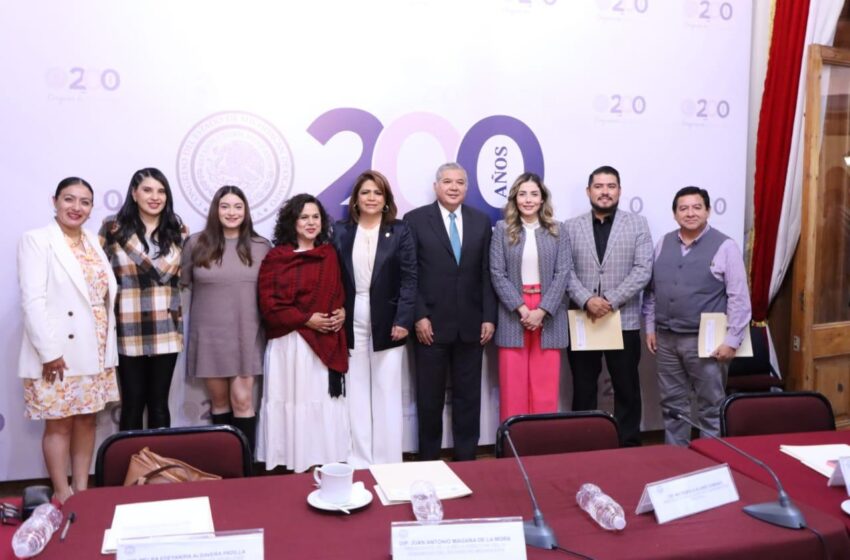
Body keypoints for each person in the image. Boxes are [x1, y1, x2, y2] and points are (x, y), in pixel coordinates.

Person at [18, 177, 120, 503]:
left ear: (91, 208)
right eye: (69, 199)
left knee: (87, 420)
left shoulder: (93, 241)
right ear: (55, 201)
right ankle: (62, 493)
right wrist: (49, 352)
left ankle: (83, 490)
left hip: (95, 345)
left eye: (84, 201)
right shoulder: (37, 240)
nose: (76, 207)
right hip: (57, 351)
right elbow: (33, 300)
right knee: (59, 425)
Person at [643, 186, 751, 445]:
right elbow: (652, 292)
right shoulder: (663, 243)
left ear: (708, 211)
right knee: (672, 405)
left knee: (710, 406)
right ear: (674, 214)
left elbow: (739, 297)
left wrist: (732, 340)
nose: (690, 213)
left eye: (696, 207)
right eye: (683, 208)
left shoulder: (726, 246)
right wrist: (649, 327)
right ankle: (676, 461)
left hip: (707, 342)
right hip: (666, 340)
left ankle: (711, 465)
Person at [404, 162, 497, 461]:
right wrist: (418, 315)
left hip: (472, 325)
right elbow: (410, 273)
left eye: (460, 182)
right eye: (447, 181)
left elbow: (487, 272)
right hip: (429, 325)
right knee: (429, 399)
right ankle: (429, 460)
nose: (454, 187)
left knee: (468, 398)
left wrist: (488, 316)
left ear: (466, 188)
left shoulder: (481, 221)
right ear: (436, 186)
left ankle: (467, 458)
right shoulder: (415, 220)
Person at [256, 194, 348, 472]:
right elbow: (269, 305)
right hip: (290, 344)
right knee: (292, 402)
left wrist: (342, 311)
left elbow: (338, 293)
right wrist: (307, 319)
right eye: (304, 217)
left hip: (322, 345)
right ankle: (291, 461)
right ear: (292, 222)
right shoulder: (276, 258)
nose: (310, 222)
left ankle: (321, 461)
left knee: (319, 403)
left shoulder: (330, 253)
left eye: (315, 217)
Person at [333, 171, 416, 467]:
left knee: (386, 390)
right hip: (350, 319)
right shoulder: (340, 231)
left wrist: (404, 319)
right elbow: (333, 278)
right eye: (365, 192)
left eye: (377, 193)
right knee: (354, 392)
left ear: (386, 200)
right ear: (356, 199)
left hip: (390, 320)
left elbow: (410, 278)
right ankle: (359, 460)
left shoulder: (401, 230)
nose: (371, 198)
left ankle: (388, 460)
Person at [564, 165, 652, 447]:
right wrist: (587, 300)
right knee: (583, 387)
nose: (605, 192)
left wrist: (610, 300)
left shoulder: (637, 224)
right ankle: (584, 442)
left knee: (626, 387)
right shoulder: (570, 226)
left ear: (619, 191)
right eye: (599, 186)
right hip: (583, 317)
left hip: (622, 318)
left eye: (611, 186)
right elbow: (564, 270)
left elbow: (642, 270)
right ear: (589, 191)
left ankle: (628, 443)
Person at [181, 186, 271, 454]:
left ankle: (245, 472)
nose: (231, 212)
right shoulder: (195, 244)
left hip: (248, 333)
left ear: (245, 211)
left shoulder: (261, 246)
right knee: (219, 403)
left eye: (237, 207)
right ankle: (225, 469)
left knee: (243, 401)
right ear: (215, 210)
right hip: (209, 336)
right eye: (225, 206)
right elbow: (182, 284)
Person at [99, 168, 186, 431]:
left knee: (159, 404)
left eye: (161, 191)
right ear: (134, 193)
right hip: (127, 324)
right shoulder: (112, 228)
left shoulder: (177, 231)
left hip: (166, 326)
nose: (155, 197)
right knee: (132, 403)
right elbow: (98, 275)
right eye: (147, 190)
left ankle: (160, 468)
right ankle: (129, 468)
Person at [490, 173, 571, 422]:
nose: (528, 199)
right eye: (523, 194)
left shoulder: (558, 230)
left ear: (542, 198)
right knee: (512, 384)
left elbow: (563, 272)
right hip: (514, 311)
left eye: (534, 194)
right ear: (515, 198)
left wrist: (542, 310)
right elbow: (497, 272)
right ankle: (513, 442)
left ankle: (543, 445)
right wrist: (522, 309)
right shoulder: (502, 230)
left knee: (545, 383)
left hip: (549, 312)